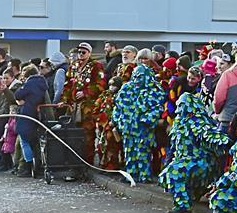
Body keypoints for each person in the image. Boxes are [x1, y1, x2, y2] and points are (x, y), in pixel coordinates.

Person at [111, 49, 164, 183]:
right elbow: (117, 106)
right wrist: (118, 120)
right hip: (128, 127)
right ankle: (131, 174)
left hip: (143, 129)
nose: (137, 79)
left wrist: (146, 120)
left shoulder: (154, 89)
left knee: (143, 153)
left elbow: (157, 108)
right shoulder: (126, 88)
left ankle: (144, 175)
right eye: (135, 76)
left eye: (140, 77)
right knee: (129, 152)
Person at [63, 43, 105, 164]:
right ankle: (75, 161)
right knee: (73, 134)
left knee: (88, 134)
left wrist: (86, 93)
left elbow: (100, 85)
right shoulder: (74, 66)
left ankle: (88, 162)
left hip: (88, 106)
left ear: (89, 53)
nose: (80, 55)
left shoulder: (96, 66)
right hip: (73, 106)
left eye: (83, 52)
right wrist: (65, 100)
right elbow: (68, 84)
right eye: (79, 52)